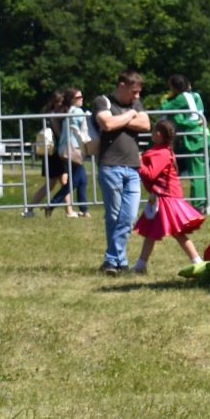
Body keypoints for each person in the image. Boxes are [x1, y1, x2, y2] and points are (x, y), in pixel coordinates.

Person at [92, 71, 151, 275]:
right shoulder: (103, 101)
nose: (136, 97)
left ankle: (111, 260)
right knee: (114, 216)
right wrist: (130, 115)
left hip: (133, 167)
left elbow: (146, 125)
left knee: (128, 217)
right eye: (134, 92)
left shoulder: (136, 103)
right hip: (110, 166)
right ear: (122, 85)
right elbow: (106, 124)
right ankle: (119, 261)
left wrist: (121, 119)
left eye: (138, 93)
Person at [131, 119, 206, 273]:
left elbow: (151, 174)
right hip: (160, 196)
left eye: (153, 131)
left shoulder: (162, 153)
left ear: (159, 134)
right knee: (151, 231)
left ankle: (197, 260)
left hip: (166, 197)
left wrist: (139, 163)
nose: (151, 133)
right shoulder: (162, 151)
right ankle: (141, 265)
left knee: (177, 232)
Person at [161, 74, 210, 208]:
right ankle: (209, 201)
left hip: (194, 138)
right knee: (204, 171)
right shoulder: (195, 96)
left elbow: (165, 108)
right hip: (203, 134)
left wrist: (168, 99)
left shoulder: (180, 98)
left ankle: (198, 204)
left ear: (174, 87)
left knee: (196, 173)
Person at [60, 87, 94, 216]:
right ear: (71, 99)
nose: (81, 99)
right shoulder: (77, 111)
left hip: (69, 149)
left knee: (80, 180)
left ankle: (83, 209)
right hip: (74, 150)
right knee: (77, 181)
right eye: (78, 97)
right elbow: (88, 123)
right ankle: (53, 203)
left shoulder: (69, 111)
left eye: (81, 96)